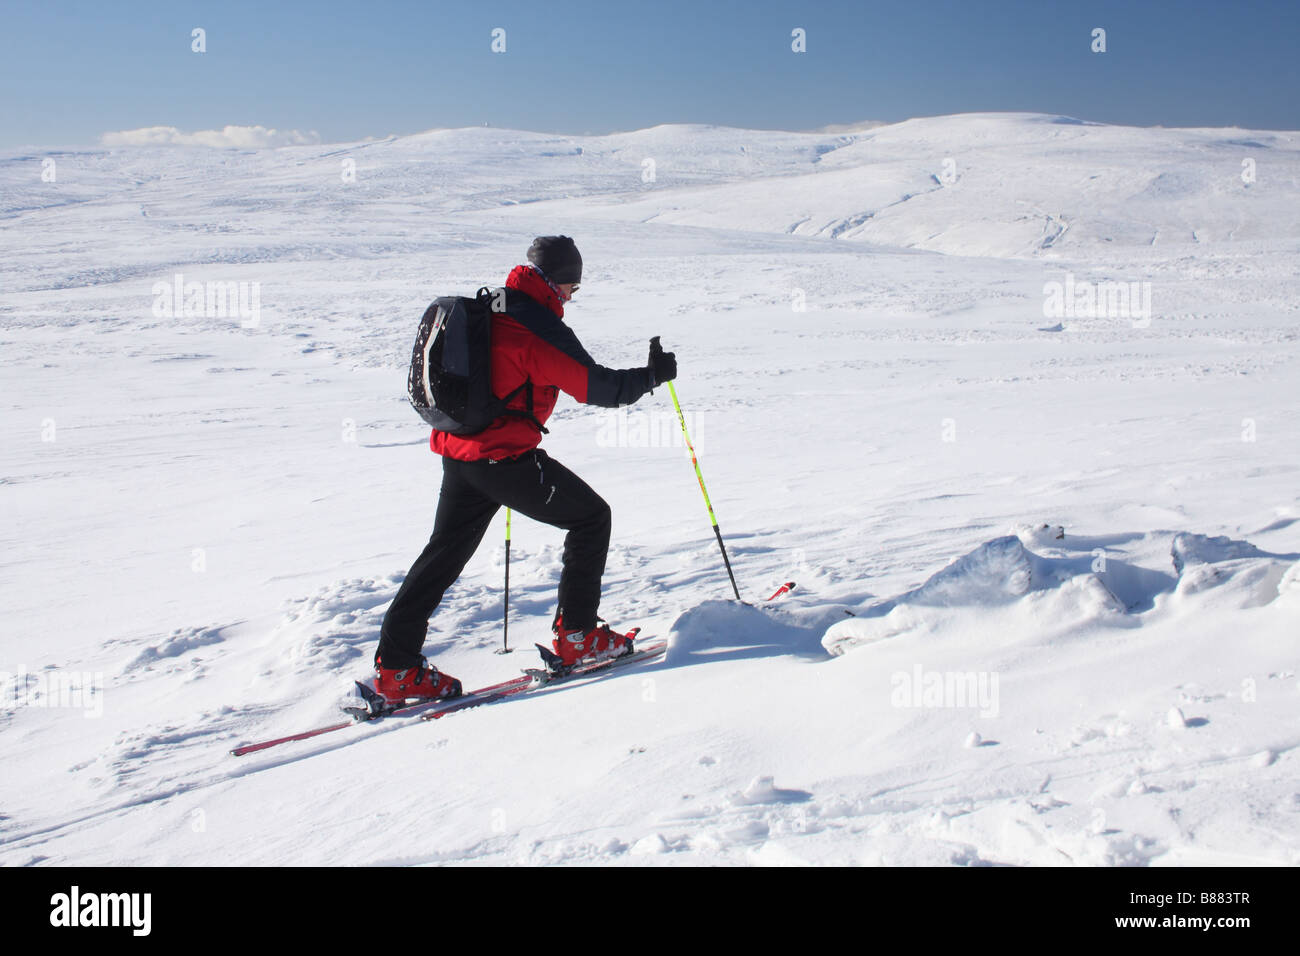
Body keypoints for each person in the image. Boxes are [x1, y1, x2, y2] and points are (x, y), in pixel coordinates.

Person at [372, 236, 677, 702]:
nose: (572, 299)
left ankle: (396, 669)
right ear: (556, 284)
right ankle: (578, 638)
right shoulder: (535, 327)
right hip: (504, 459)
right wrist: (650, 376)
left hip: (460, 452)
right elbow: (596, 387)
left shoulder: (494, 303)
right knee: (591, 518)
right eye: (572, 289)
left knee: (441, 557)